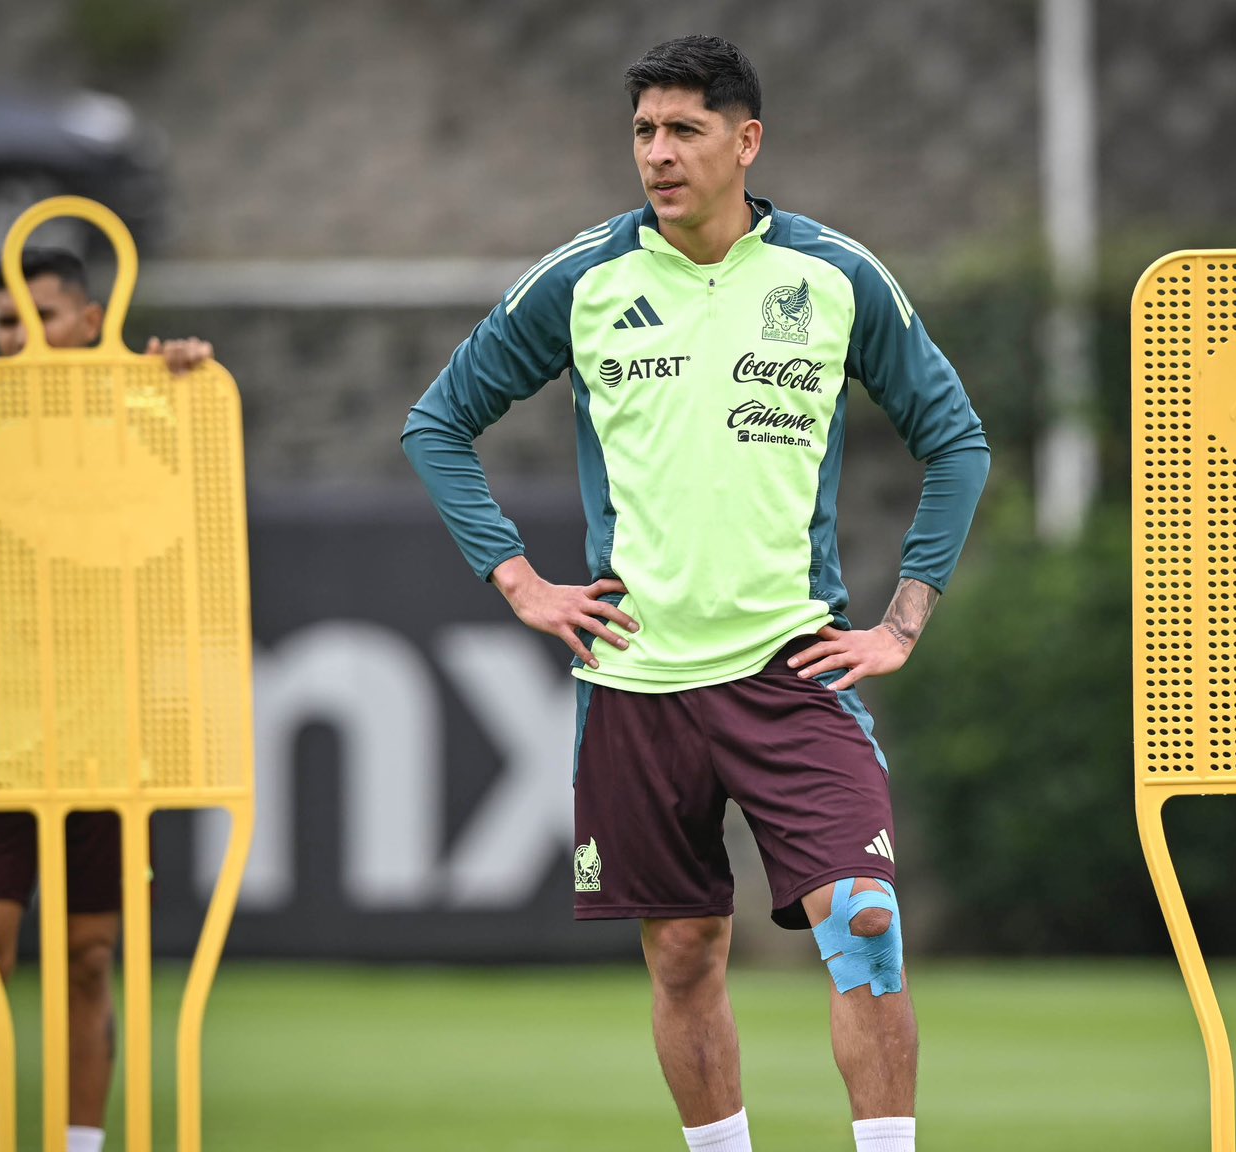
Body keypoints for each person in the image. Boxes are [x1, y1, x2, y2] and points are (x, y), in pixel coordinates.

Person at [403, 34, 988, 1152]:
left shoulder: (831, 277)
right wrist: (519, 581)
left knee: (864, 925)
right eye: (642, 133)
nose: (657, 155)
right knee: (684, 955)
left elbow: (953, 441)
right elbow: (437, 425)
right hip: (637, 678)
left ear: (745, 140)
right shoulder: (584, 280)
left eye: (683, 130)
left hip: (792, 669)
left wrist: (902, 620)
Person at [0, 246, 213, 1152]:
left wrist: (182, 392)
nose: (20, 337)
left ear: (89, 323)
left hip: (111, 745)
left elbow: (193, 532)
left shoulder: (147, 411)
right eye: (5, 323)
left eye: (42, 316)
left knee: (89, 962)